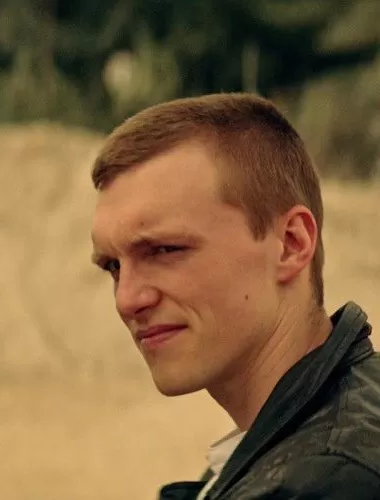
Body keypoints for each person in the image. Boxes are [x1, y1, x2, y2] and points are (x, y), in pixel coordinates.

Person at [89, 93, 380, 499]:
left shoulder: (324, 482)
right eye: (113, 266)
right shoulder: (311, 439)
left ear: (291, 244)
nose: (126, 300)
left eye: (165, 250)